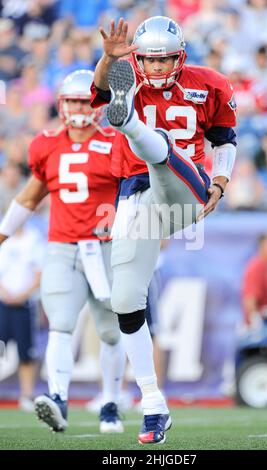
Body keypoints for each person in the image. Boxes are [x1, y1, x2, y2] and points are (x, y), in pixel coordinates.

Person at [91, 16, 237, 444]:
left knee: (161, 150)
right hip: (135, 196)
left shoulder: (209, 84)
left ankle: (130, 124)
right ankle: (154, 403)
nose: (155, 68)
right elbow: (99, 92)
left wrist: (222, 181)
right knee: (124, 298)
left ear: (180, 56)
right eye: (149, 61)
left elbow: (224, 139)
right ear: (139, 58)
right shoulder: (124, 71)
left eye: (164, 60)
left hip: (184, 187)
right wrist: (107, 58)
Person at [0, 69, 126, 433]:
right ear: (61, 104)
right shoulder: (46, 144)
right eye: (72, 100)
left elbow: (136, 193)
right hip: (63, 247)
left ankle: (111, 404)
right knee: (60, 324)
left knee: (112, 332)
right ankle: (58, 401)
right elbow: (30, 196)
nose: (79, 107)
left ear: (98, 104)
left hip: (105, 248)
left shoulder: (116, 143)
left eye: (85, 100)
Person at [0, 226, 44, 411]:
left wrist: (21, 295)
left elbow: (39, 274)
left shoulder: (34, 238)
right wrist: (4, 293)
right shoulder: (3, 236)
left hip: (25, 305)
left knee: (26, 353)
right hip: (2, 303)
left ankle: (26, 395)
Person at [241, 232, 267, 329]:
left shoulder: (266, 266)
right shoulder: (257, 266)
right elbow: (250, 298)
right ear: (264, 245)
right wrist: (256, 322)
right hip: (259, 330)